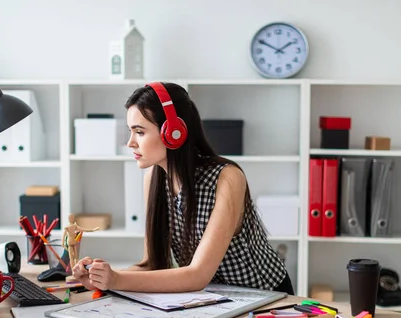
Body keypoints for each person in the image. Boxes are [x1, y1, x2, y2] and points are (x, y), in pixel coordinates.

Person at [72, 82, 294, 295]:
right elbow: (150, 264)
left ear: (173, 132)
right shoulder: (153, 178)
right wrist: (100, 277)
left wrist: (117, 280)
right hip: (213, 297)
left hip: (263, 295)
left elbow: (197, 275)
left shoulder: (227, 178)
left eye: (139, 132)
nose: (130, 142)